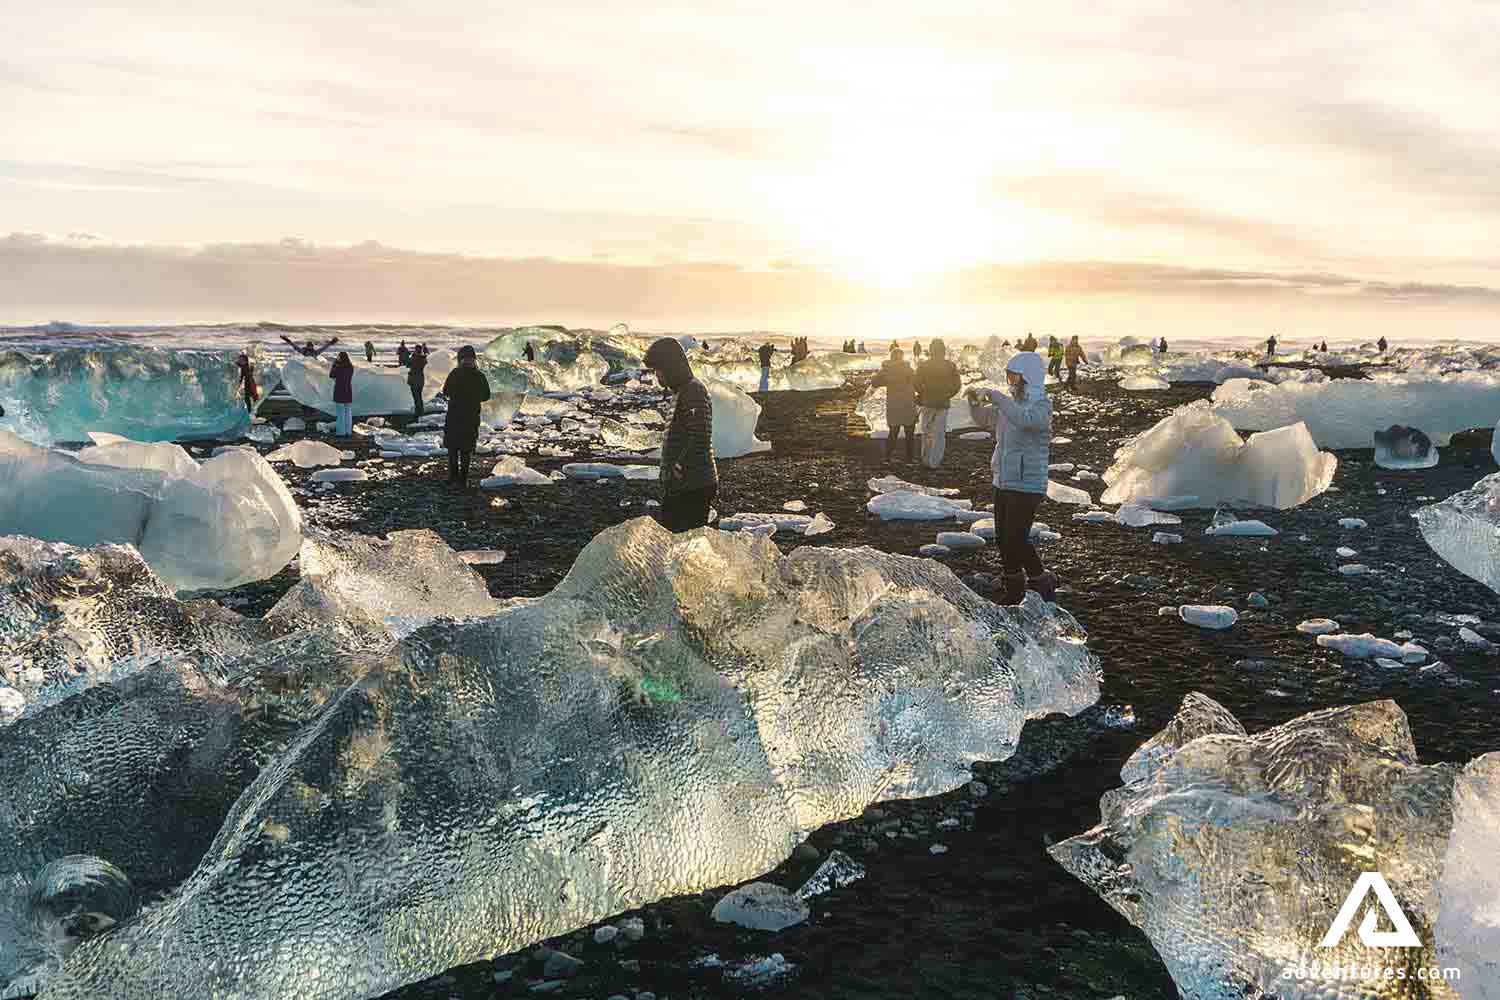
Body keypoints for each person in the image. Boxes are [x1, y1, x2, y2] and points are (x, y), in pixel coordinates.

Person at [966, 351, 1056, 604]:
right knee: (1004, 537)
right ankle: (1014, 585)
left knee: (1016, 537)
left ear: (1028, 376)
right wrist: (975, 404)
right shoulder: (1011, 405)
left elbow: (1026, 422)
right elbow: (986, 419)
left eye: (1014, 376)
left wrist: (997, 397)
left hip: (1027, 482)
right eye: (1009, 376)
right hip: (1004, 479)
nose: (1010, 381)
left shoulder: (1041, 405)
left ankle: (1040, 580)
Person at [642, 337, 716, 531]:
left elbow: (700, 434)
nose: (657, 375)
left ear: (671, 367)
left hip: (693, 484)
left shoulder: (693, 391)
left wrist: (679, 466)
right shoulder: (683, 391)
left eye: (659, 369)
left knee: (683, 541)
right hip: (683, 484)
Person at [441, 345, 492, 484]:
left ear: (460, 359)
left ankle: (452, 477)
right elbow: (486, 396)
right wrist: (474, 398)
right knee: (466, 448)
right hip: (471, 415)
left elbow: (445, 391)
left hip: (454, 415)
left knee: (452, 448)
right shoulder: (479, 376)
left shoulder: (455, 373)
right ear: (474, 359)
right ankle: (463, 479)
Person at [914, 339, 961, 469]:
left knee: (927, 431)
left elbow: (916, 383)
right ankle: (935, 462)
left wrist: (923, 394)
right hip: (943, 403)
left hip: (928, 402)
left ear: (931, 350)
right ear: (943, 350)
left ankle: (925, 458)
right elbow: (957, 385)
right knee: (939, 434)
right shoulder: (950, 365)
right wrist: (947, 394)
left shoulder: (924, 365)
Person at [870, 347, 917, 463]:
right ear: (902, 357)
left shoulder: (886, 370)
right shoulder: (908, 369)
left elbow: (875, 382)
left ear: (891, 357)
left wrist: (881, 374)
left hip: (893, 404)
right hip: (908, 403)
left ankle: (887, 457)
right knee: (909, 433)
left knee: (893, 432)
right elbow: (917, 384)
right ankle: (909, 459)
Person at [329, 352, 355, 436]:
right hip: (348, 390)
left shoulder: (338, 367)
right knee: (348, 412)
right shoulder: (350, 367)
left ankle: (341, 432)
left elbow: (331, 375)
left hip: (339, 390)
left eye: (338, 357)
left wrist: (334, 364)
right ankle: (348, 431)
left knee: (340, 413)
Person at [407, 344, 428, 417]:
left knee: (416, 397)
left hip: (414, 379)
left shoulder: (415, 358)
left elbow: (408, 364)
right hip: (420, 380)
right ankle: (420, 412)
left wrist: (411, 356)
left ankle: (418, 413)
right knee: (419, 396)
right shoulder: (423, 359)